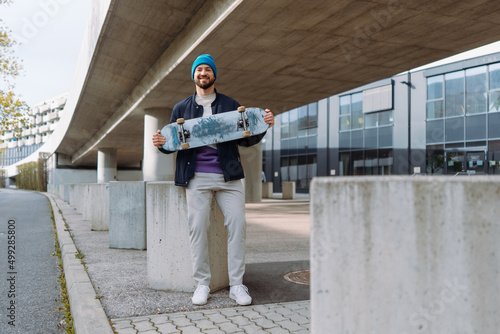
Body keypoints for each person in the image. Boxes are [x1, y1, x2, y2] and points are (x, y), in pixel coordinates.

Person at [152, 54, 274, 306]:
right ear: (194, 76)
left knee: (238, 227)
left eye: (207, 69)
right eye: (199, 70)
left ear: (214, 75)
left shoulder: (230, 104)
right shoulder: (181, 108)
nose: (203, 73)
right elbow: (172, 142)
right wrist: (161, 145)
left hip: (228, 177)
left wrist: (264, 125)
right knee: (197, 229)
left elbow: (245, 136)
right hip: (196, 177)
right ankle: (202, 284)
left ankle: (237, 285)